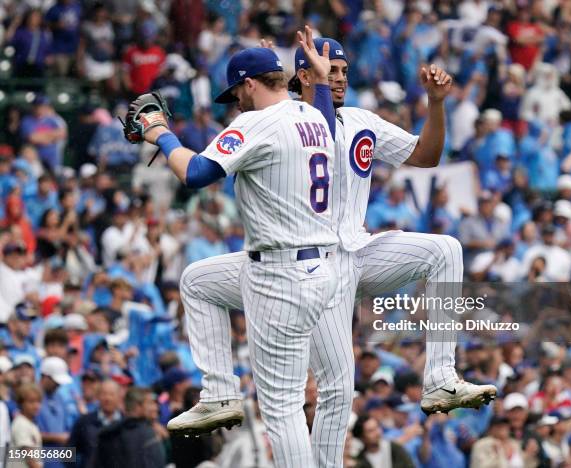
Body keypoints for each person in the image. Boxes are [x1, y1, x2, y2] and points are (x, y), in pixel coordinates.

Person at [168, 31, 496, 468]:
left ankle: (440, 378)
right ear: (301, 76)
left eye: (343, 71)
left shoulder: (357, 121)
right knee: (337, 388)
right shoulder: (289, 121)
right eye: (331, 72)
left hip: (353, 249)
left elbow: (426, 155)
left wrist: (436, 104)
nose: (339, 79)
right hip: (319, 261)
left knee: (445, 250)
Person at [137, 37, 338, 467]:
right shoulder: (316, 116)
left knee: (282, 407)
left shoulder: (256, 123)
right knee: (198, 281)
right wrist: (318, 81)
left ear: (248, 85)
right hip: (314, 266)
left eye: (236, 93)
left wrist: (162, 136)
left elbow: (194, 173)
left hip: (281, 274)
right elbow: (320, 104)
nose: (236, 104)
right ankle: (219, 393)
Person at [93, 387, 164, 468]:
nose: (154, 408)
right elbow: (75, 446)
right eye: (149, 403)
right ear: (138, 406)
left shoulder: (107, 433)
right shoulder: (84, 422)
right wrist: (74, 463)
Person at [68, 379, 122, 468]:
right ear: (98, 396)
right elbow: (68, 453)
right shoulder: (84, 422)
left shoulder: (127, 425)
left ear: (119, 397)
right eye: (104, 394)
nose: (107, 398)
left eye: (112, 394)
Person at [9, 383, 44, 468]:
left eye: (38, 401)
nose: (36, 406)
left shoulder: (30, 423)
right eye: (31, 402)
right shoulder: (21, 424)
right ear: (21, 403)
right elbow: (31, 460)